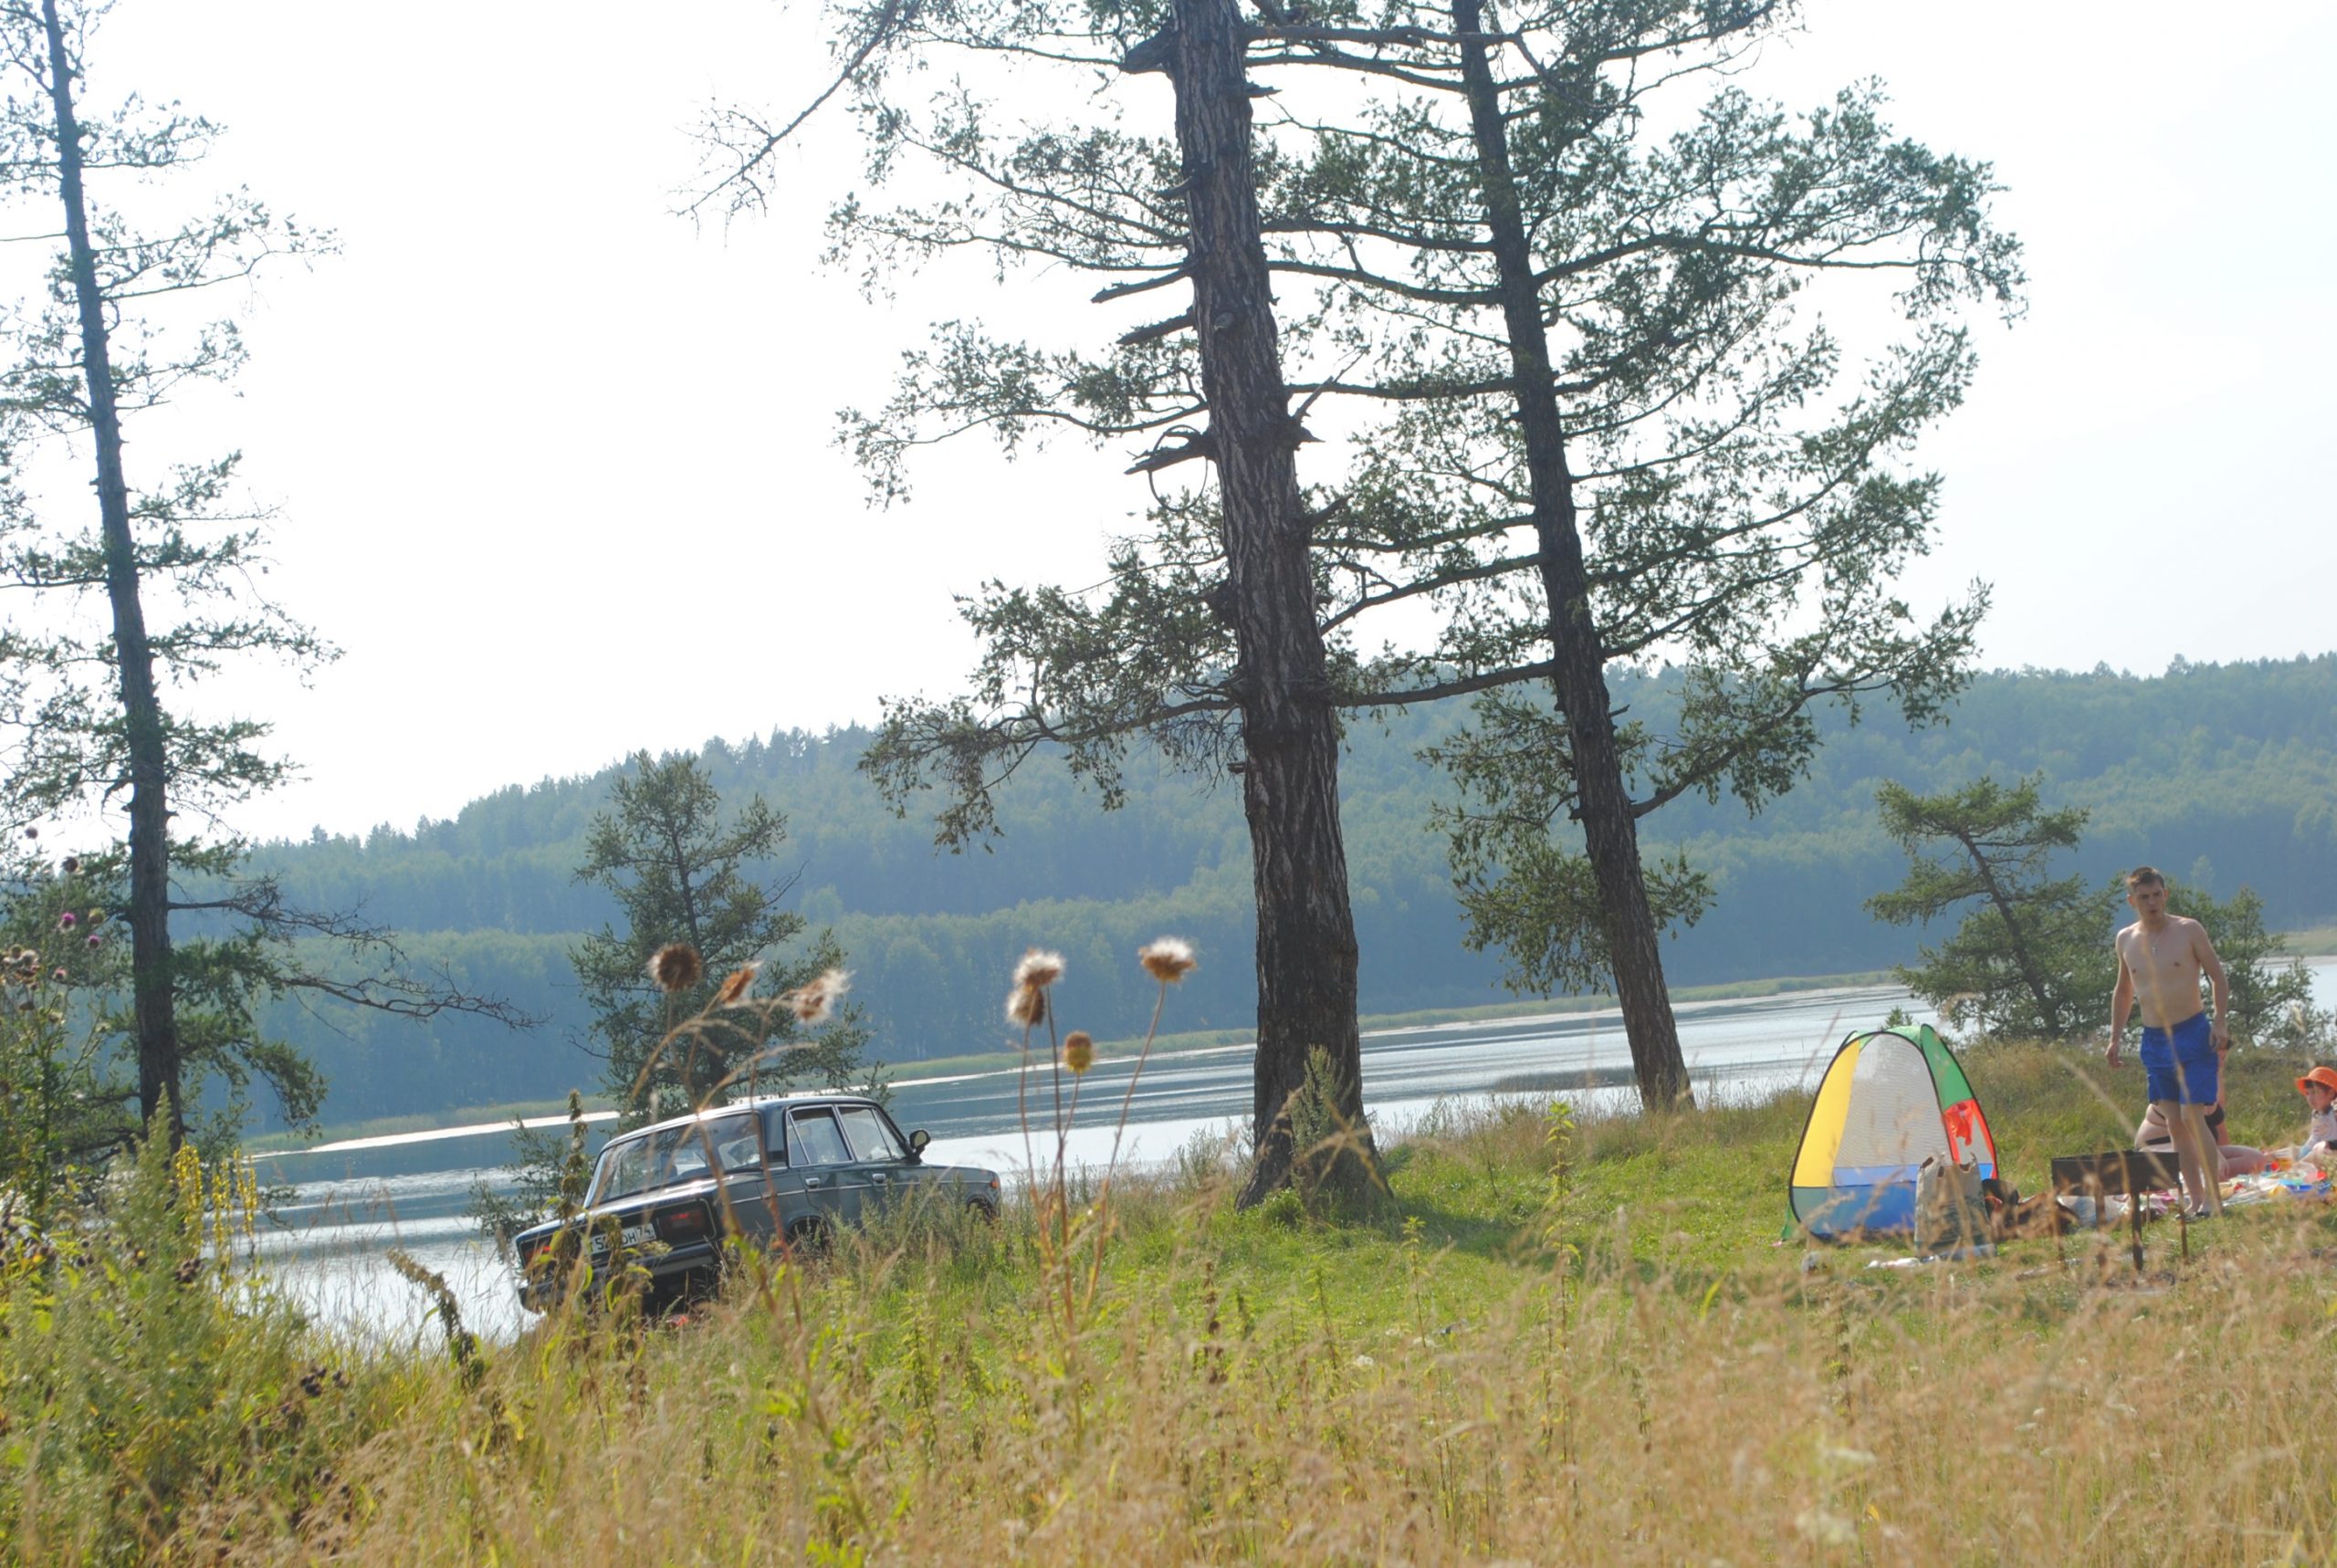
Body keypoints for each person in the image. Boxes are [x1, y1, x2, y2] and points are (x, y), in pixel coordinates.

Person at [2105, 865, 2230, 1218]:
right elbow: (2124, 990)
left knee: (2194, 1116)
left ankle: (2216, 1200)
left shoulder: (2188, 930)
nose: (2152, 902)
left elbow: (2218, 977)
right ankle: (2195, 1199)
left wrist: (2220, 1022)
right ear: (2133, 901)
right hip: (2155, 1039)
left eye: (2157, 894)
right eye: (2144, 897)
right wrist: (2115, 1037)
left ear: (2165, 894)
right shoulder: (2126, 939)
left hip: (2192, 1032)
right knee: (2174, 1121)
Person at [2135, 1099, 2270, 1178]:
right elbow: (2188, 1129)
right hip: (2158, 1150)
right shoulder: (2174, 1083)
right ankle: (2201, 1181)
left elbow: (2219, 1128)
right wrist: (2217, 1157)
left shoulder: (2210, 1081)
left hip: (2197, 1147)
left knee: (2256, 1158)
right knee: (2203, 1162)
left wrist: (2225, 1159)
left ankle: (2213, 1178)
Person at [2291, 1065, 2337, 1160]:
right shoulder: (2317, 1114)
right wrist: (2301, 1154)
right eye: (2307, 1093)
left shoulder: (2335, 1112)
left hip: (2331, 1153)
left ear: (2331, 1093)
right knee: (2291, 1151)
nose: (2310, 1098)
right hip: (2319, 1151)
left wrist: (2331, 1145)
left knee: (2318, 1150)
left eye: (2315, 1092)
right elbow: (2315, 1138)